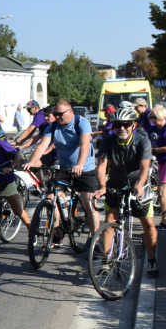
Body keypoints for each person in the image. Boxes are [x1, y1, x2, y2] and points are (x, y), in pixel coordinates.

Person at [93, 106, 159, 277]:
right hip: (115, 182)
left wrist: (139, 185)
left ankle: (152, 261)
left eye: (126, 124)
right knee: (109, 221)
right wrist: (102, 186)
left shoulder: (142, 140)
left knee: (148, 224)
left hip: (138, 184)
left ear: (133, 125)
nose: (121, 128)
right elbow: (101, 165)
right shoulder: (108, 141)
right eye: (117, 125)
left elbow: (145, 166)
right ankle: (106, 260)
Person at [24, 99, 99, 236]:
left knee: (88, 204)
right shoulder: (53, 126)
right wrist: (33, 162)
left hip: (84, 167)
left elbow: (85, 145)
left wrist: (80, 164)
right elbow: (42, 146)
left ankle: (97, 241)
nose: (57, 117)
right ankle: (57, 230)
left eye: (60, 114)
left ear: (70, 111)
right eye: (55, 114)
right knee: (51, 196)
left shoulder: (81, 123)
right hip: (64, 168)